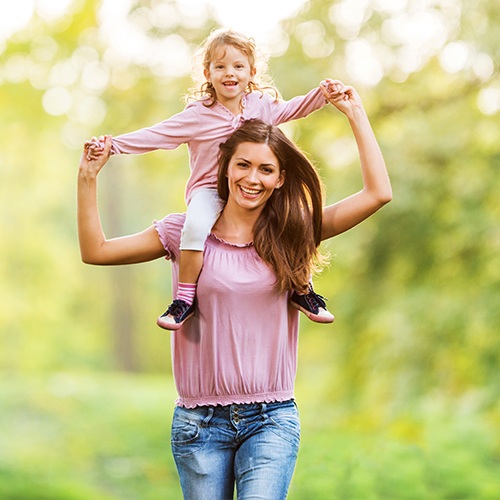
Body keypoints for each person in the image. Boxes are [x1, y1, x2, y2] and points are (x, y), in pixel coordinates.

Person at [78, 79, 392, 499]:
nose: (252, 178)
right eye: (243, 165)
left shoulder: (292, 232)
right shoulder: (184, 233)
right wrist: (88, 178)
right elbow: (96, 251)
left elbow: (378, 194)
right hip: (199, 423)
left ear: (281, 179)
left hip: (271, 419)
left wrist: (354, 113)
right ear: (225, 166)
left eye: (266, 169)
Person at [85, 27, 334, 330]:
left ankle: (302, 289)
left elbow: (294, 108)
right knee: (194, 227)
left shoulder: (260, 106)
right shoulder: (197, 115)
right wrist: (114, 145)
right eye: (220, 66)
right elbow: (158, 134)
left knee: (292, 219)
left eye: (238, 66)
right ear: (208, 73)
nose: (230, 73)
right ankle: (184, 299)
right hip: (209, 190)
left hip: (253, 190)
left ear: (251, 71)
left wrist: (323, 94)